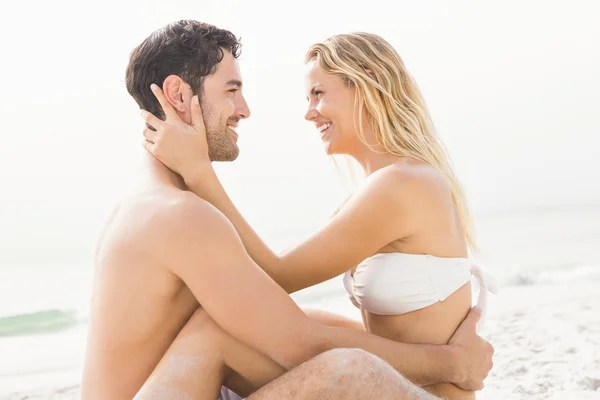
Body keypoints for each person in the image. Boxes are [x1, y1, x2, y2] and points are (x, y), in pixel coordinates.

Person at [81, 20, 493, 400]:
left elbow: (284, 306)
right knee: (327, 361)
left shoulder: (151, 207)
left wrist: (199, 174)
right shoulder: (178, 215)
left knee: (245, 334)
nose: (244, 109)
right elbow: (292, 320)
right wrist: (455, 362)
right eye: (231, 90)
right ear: (177, 95)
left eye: (318, 94)